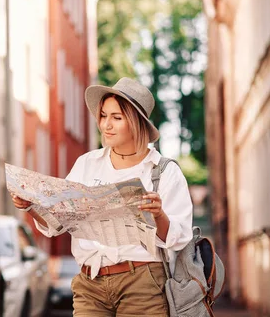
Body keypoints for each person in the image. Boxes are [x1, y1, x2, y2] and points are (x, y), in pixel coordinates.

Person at [11, 77, 193, 317]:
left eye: (116, 118)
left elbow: (178, 239)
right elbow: (57, 224)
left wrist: (158, 215)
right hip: (90, 283)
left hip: (142, 283)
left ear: (136, 123)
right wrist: (32, 206)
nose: (106, 124)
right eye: (104, 116)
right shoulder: (87, 164)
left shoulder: (163, 171)